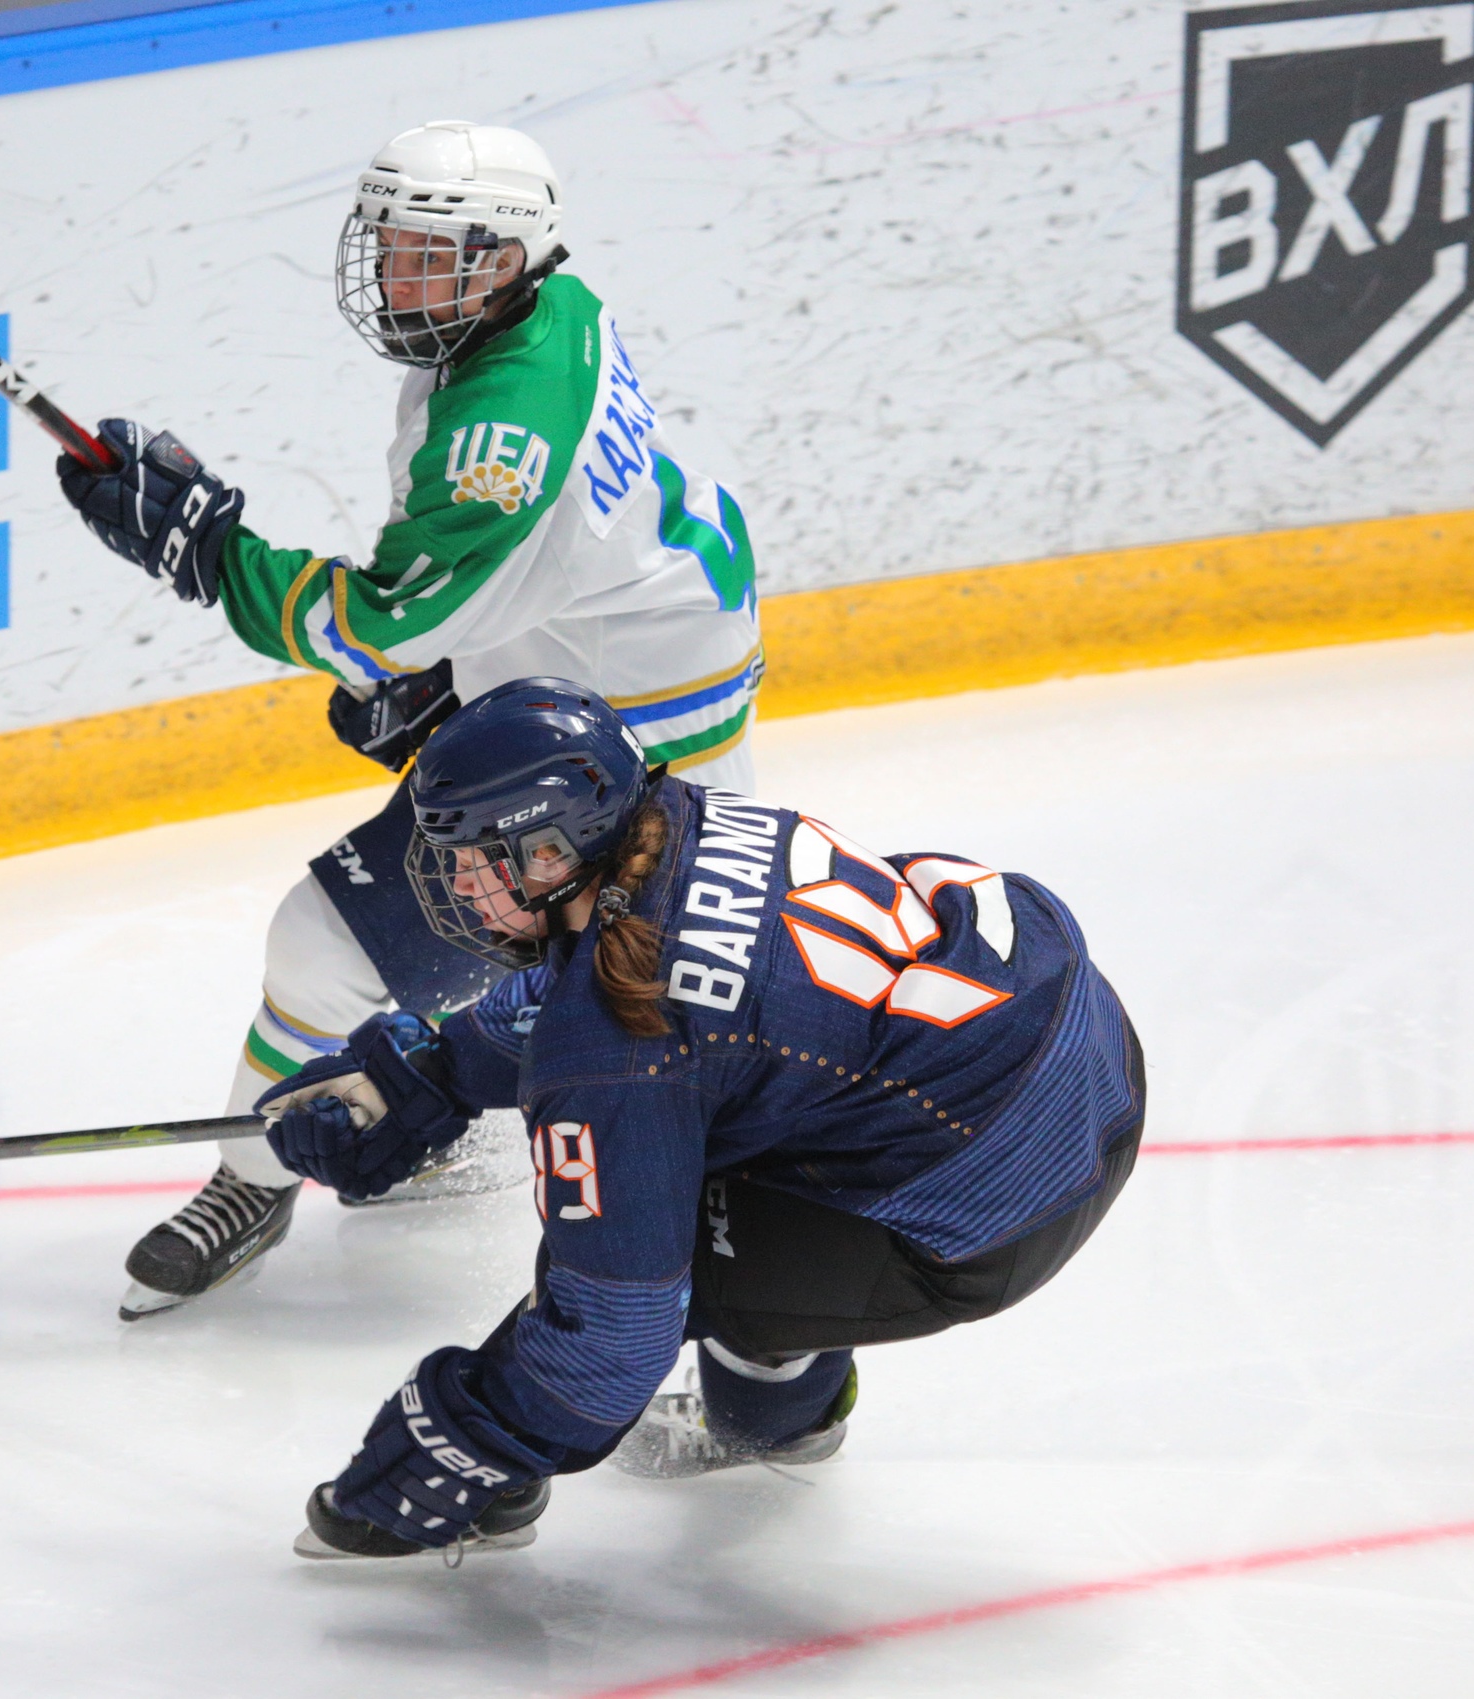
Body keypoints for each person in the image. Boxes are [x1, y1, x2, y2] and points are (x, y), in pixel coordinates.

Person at [57, 121, 766, 1317]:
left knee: (347, 952)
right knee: (579, 987)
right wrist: (463, 668)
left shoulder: (505, 437)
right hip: (621, 679)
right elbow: (475, 588)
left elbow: (374, 624)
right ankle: (430, 1110)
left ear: (508, 259)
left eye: (436, 253)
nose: (399, 275)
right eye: (392, 243)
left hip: (608, 750)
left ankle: (261, 1172)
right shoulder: (546, 308)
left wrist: (208, 553)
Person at [254, 679, 1144, 1558]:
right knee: (688, 1138)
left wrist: (461, 1444)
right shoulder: (672, 822)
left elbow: (612, 1337)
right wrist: (430, 1073)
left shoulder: (612, 1041)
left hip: (1003, 1195)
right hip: (1082, 1050)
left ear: (553, 852)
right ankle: (781, 1382)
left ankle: (779, 1418)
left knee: (623, 1232)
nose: (456, 883)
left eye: (475, 857)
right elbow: (648, 995)